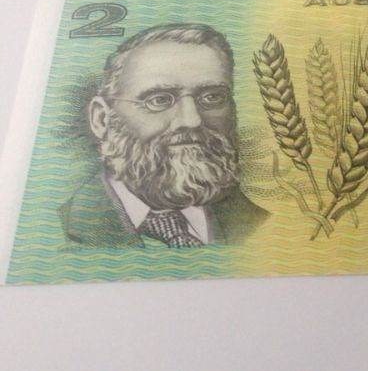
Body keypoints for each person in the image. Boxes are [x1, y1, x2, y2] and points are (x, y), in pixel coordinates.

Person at [59, 23, 269, 248]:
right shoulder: (61, 229)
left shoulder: (260, 225)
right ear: (101, 119)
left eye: (212, 97)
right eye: (159, 100)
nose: (192, 120)